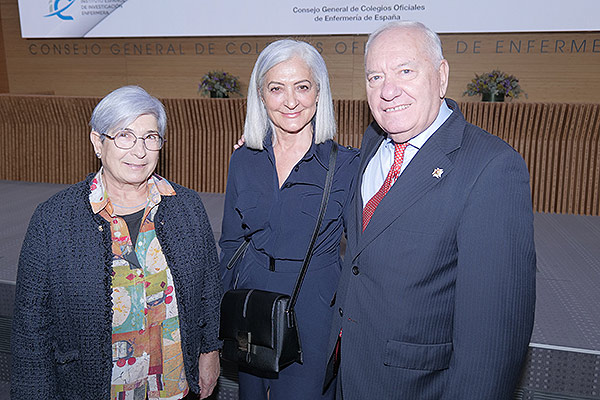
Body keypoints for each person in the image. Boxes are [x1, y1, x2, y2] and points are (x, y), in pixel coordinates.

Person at [326, 21, 536, 399]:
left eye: (405, 71)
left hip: (419, 387)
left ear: (440, 76)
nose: (388, 91)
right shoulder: (374, 141)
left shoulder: (492, 168)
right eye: (375, 77)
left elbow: (494, 336)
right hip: (350, 374)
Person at [11, 85, 222, 399]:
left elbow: (208, 289)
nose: (140, 151)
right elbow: (31, 327)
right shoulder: (54, 219)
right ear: (98, 142)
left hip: (172, 387)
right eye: (124, 135)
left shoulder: (186, 207)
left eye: (151, 137)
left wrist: (210, 352)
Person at [219, 39, 359, 399]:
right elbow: (231, 242)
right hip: (252, 294)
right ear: (261, 96)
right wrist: (220, 311)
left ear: (319, 93)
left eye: (302, 86)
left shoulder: (347, 166)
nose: (291, 100)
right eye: (276, 88)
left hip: (314, 303)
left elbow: (363, 256)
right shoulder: (244, 160)